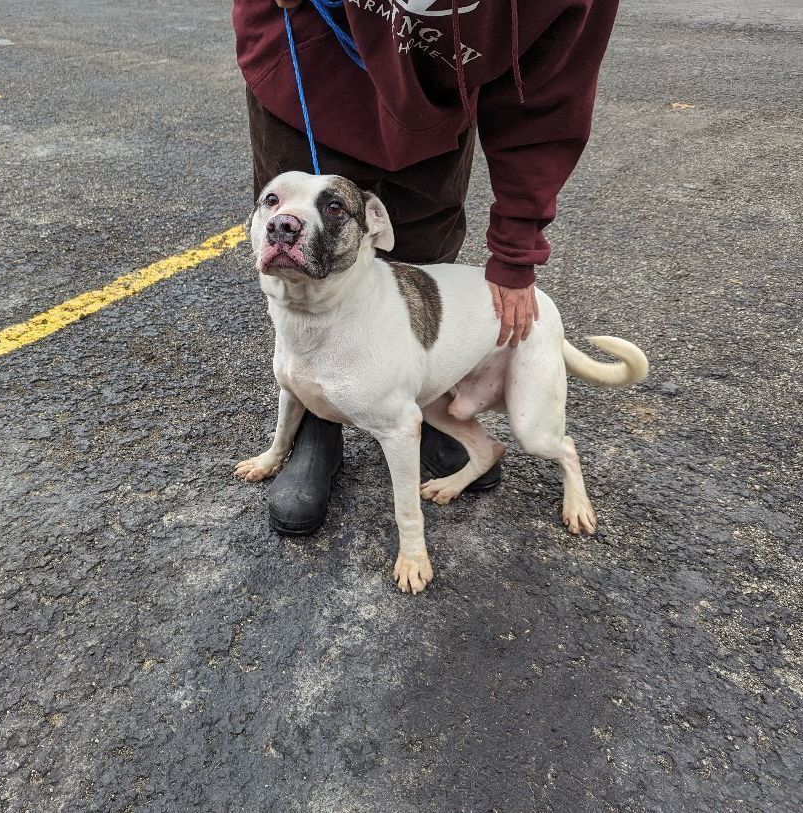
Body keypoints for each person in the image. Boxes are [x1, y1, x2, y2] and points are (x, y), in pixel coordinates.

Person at [232, 0, 619, 535]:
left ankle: (421, 393)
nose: (278, 223)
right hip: (306, 63)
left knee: (424, 243)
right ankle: (318, 429)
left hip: (439, 98)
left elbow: (550, 97)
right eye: (267, 212)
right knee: (307, 292)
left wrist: (516, 250)